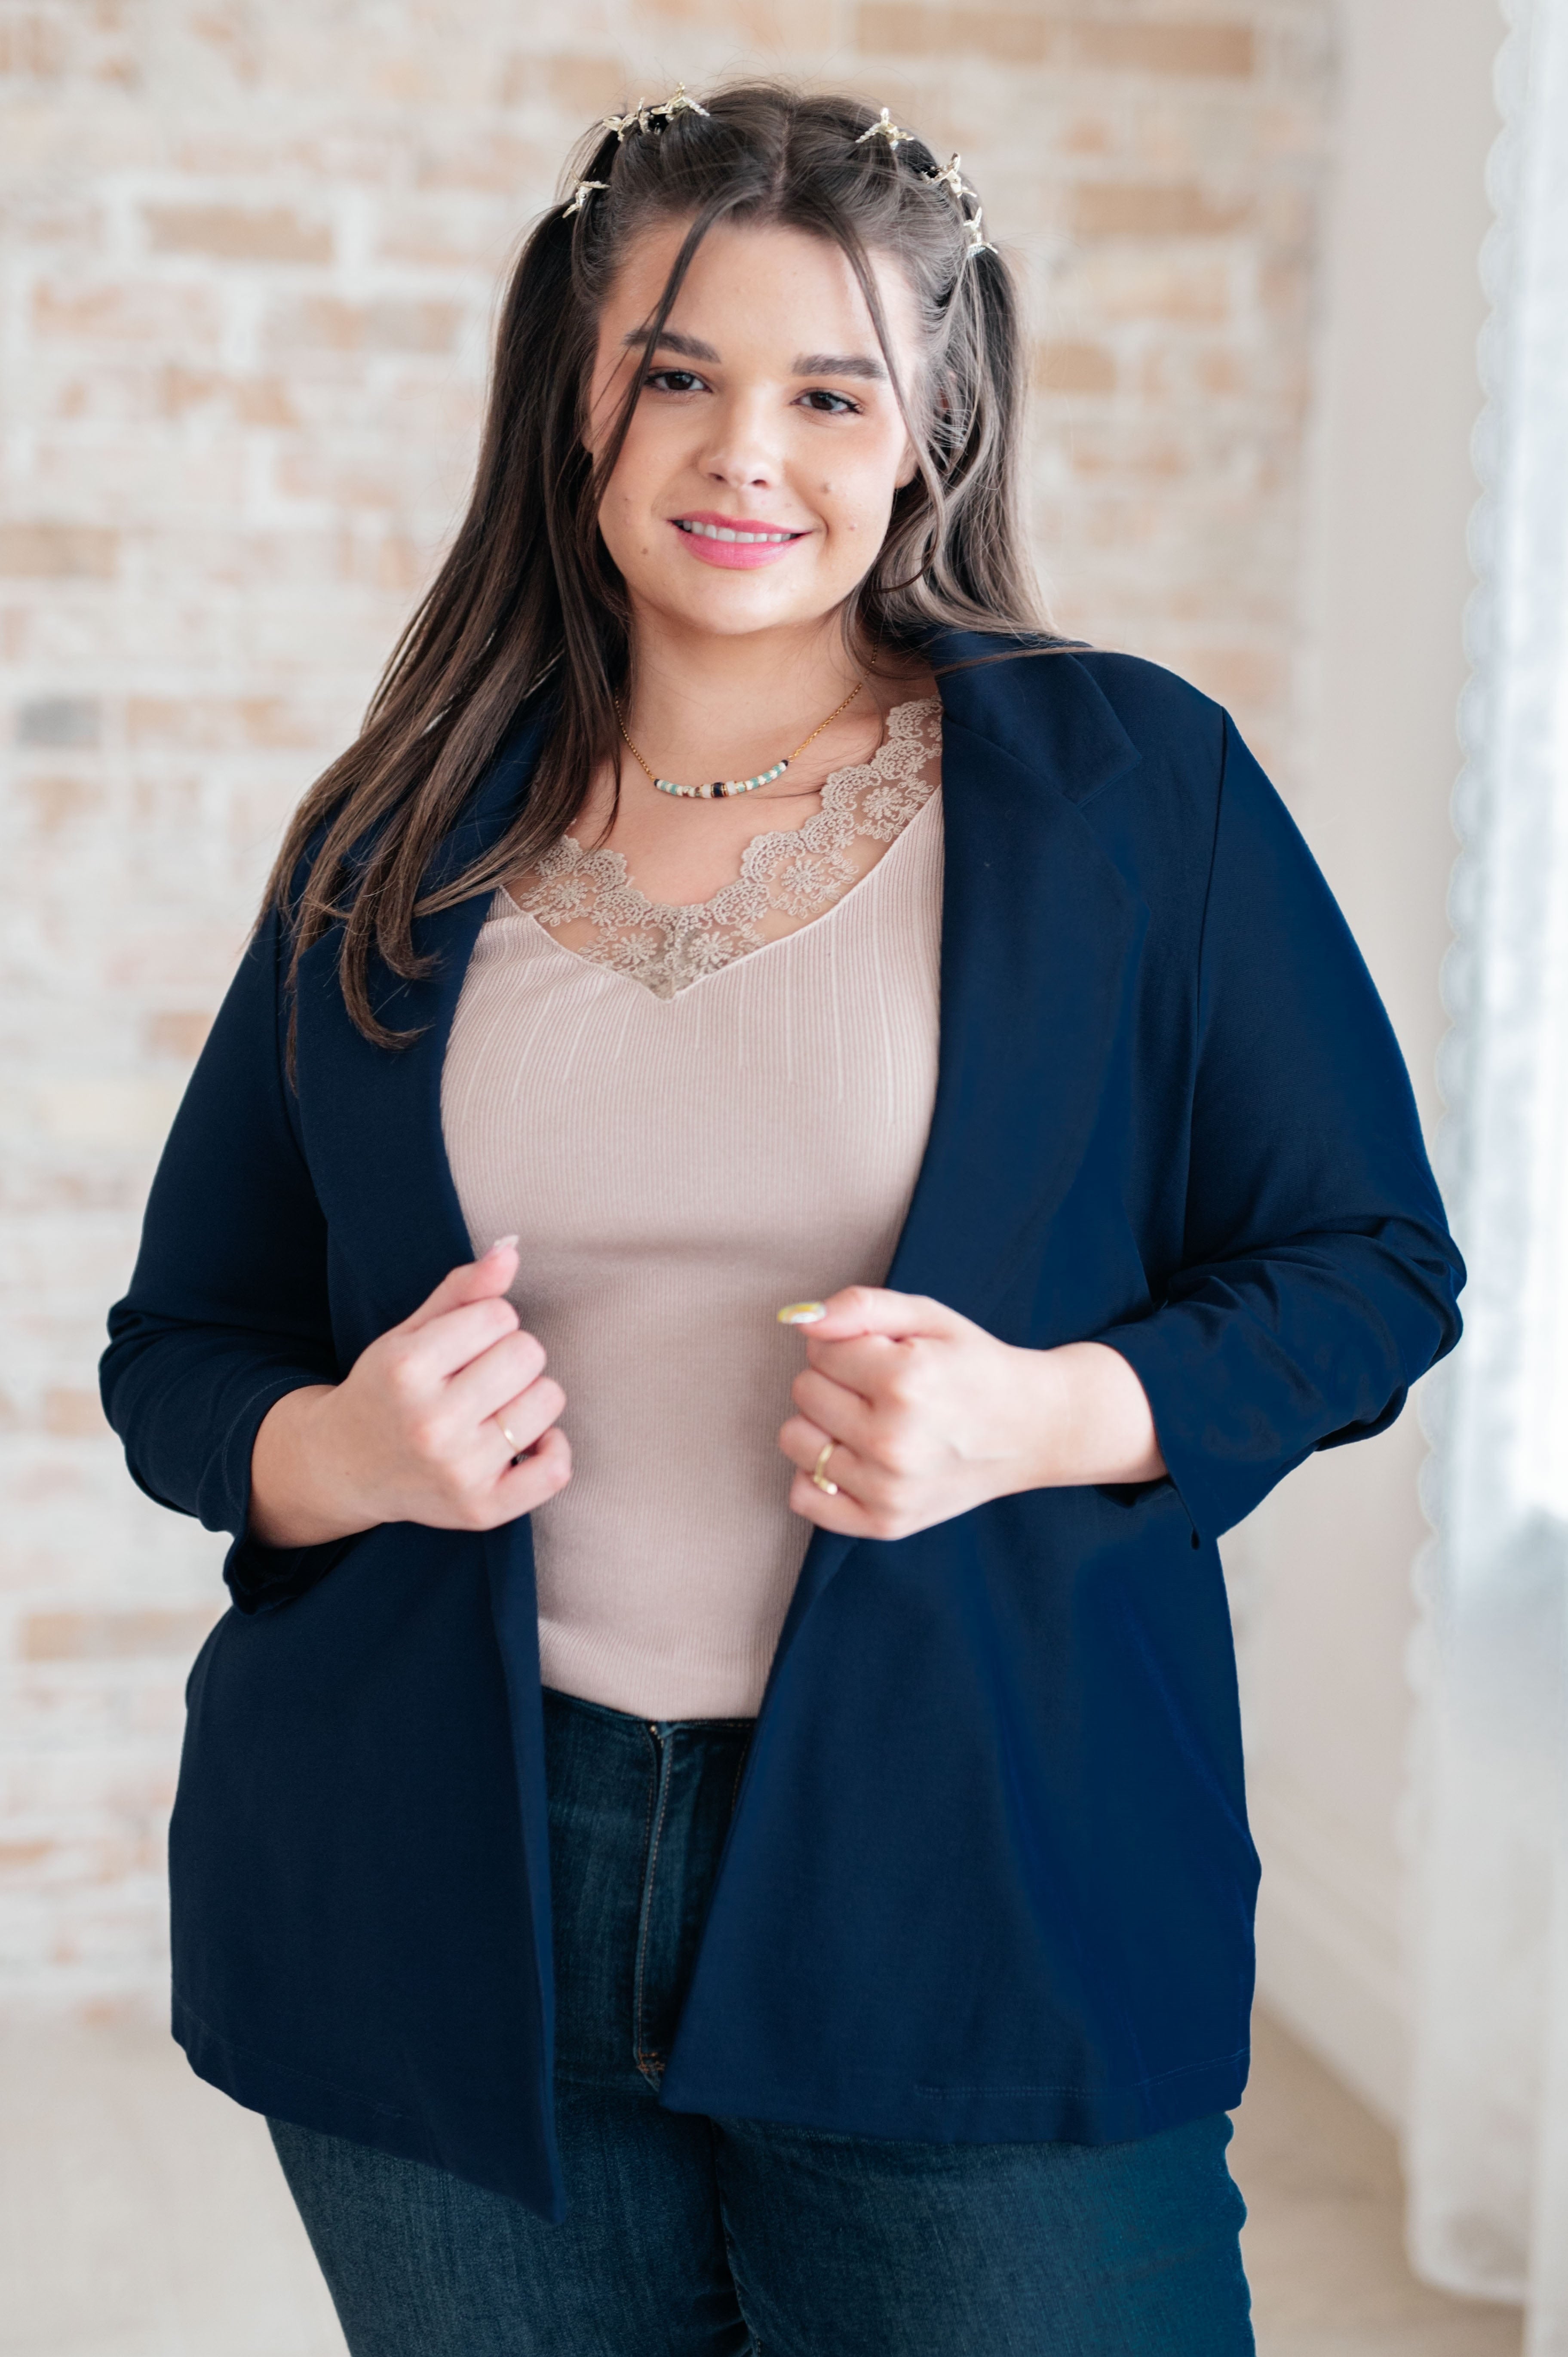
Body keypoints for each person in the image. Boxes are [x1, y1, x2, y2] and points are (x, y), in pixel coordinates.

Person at [100, 80, 1464, 2357]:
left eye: (829, 389)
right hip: (447, 1890)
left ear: (933, 419)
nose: (750, 455)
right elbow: (188, 1340)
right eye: (678, 377)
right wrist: (343, 1454)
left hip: (976, 1880)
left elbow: (1368, 1270)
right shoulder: (397, 829)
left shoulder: (1128, 787)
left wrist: (1041, 1413)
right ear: (580, 405)